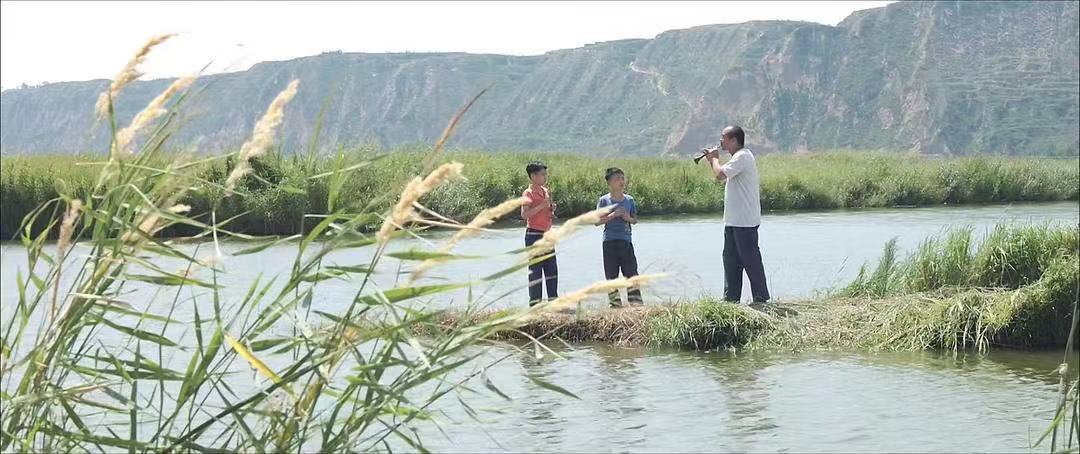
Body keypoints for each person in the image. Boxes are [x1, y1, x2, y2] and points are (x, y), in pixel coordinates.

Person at [702, 126, 770, 304]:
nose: (721, 141)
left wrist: (714, 159)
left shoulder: (743, 156)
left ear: (733, 140)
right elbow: (722, 172)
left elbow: (721, 175)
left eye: (723, 138)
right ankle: (730, 300)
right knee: (730, 260)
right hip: (733, 221)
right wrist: (713, 161)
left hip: (745, 222)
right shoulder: (737, 158)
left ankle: (761, 298)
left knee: (750, 260)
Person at [595, 167, 643, 307]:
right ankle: (615, 305)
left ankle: (636, 304)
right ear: (609, 182)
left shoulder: (629, 200)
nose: (621, 181)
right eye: (617, 179)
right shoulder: (604, 201)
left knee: (632, 273)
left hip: (626, 241)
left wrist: (627, 217)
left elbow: (634, 220)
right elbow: (597, 221)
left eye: (622, 178)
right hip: (609, 241)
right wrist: (612, 215)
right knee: (611, 274)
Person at [521, 161, 557, 306]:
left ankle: (554, 301)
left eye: (545, 174)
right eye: (542, 174)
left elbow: (545, 212)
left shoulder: (545, 191)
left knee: (551, 269)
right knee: (535, 270)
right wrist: (542, 205)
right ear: (533, 176)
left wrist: (551, 209)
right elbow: (524, 215)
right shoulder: (528, 193)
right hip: (534, 234)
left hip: (548, 234)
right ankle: (535, 304)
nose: (545, 177)